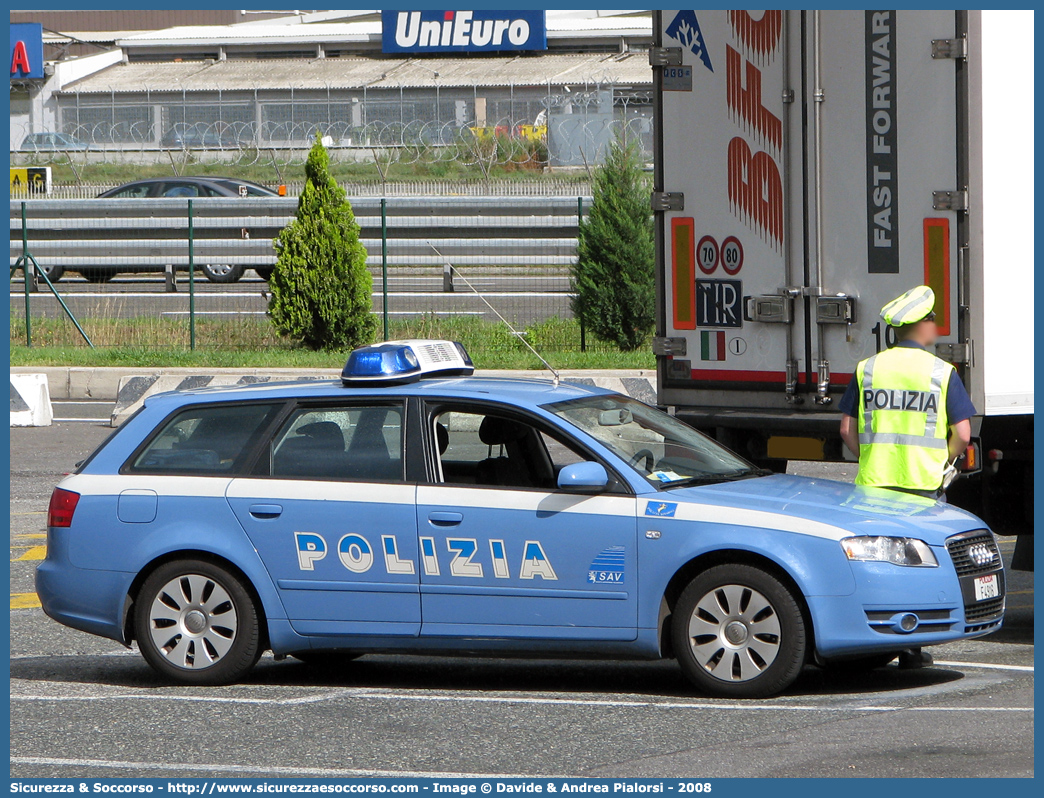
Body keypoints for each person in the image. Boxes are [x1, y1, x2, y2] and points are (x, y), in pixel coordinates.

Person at [839, 285, 976, 500]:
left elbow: (847, 430)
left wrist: (869, 459)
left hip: (874, 485)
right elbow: (962, 435)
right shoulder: (942, 372)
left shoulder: (867, 368)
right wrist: (940, 461)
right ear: (925, 326)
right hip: (925, 485)